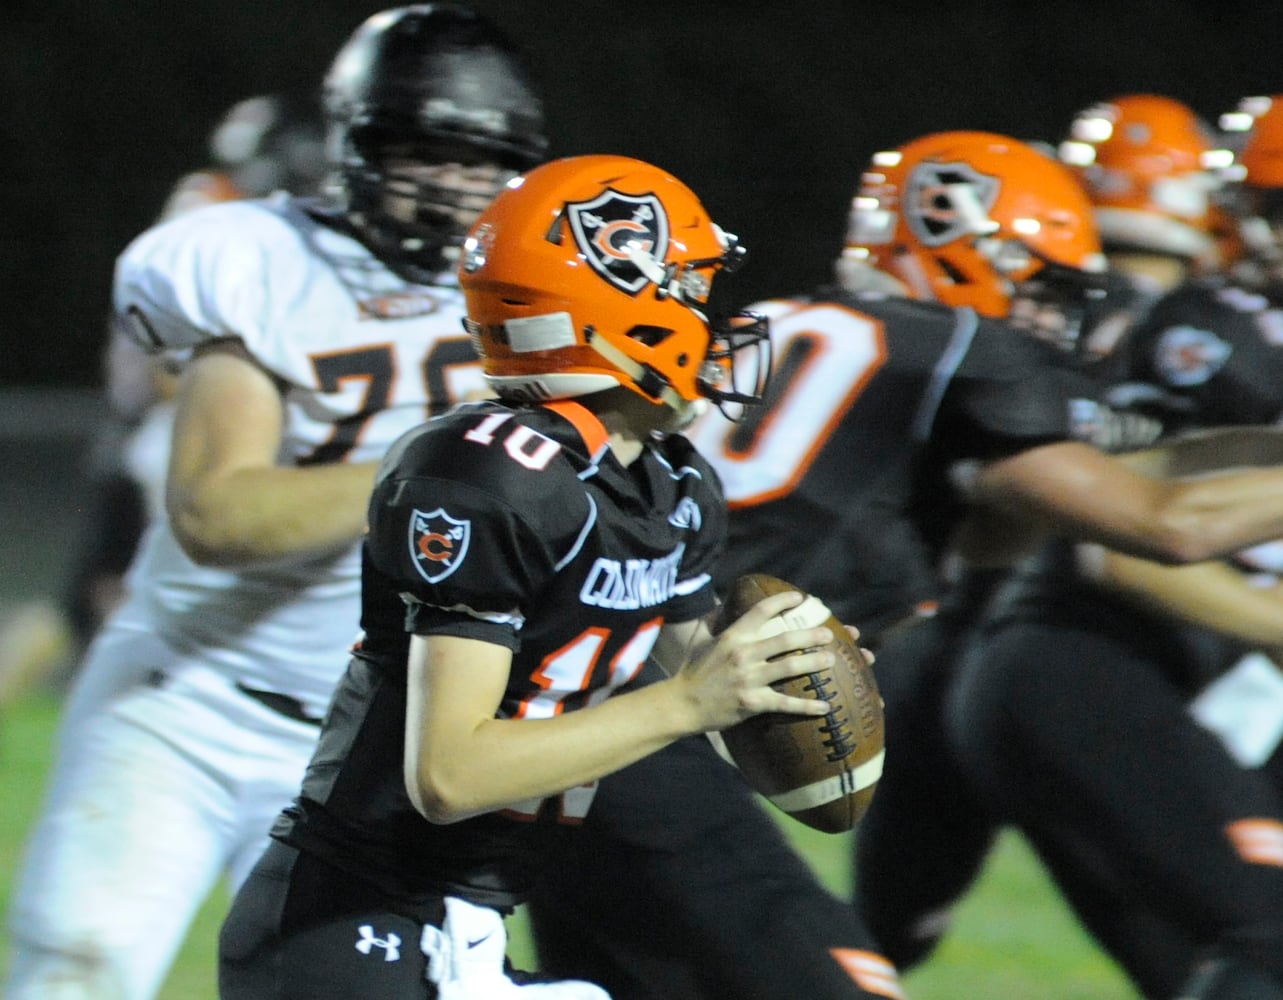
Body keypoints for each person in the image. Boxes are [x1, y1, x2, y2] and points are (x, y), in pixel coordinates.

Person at [526, 132, 1283, 1000]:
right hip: (632, 714)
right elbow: (1166, 526)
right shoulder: (962, 351)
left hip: (566, 699)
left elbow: (1032, 512)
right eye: (1039, 288)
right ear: (968, 253)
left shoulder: (804, 329)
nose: (1049, 321)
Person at [2, 6, 549, 999]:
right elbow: (219, 517)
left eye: (483, 161)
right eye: (426, 150)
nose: (457, 184)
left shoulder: (536, 291)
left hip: (372, 748)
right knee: (78, 964)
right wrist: (440, 464)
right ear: (357, 140)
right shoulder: (255, 258)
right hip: (188, 701)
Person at [216, 151, 846, 999]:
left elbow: (707, 684)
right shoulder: (482, 474)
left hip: (459, 930)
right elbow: (449, 776)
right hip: (353, 933)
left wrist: (792, 679)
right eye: (693, 290)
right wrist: (691, 701)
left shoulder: (673, 486)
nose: (715, 317)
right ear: (621, 306)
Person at [0, 93, 328, 708]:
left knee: (91, 599)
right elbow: (173, 358)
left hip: (154, 424)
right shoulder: (214, 215)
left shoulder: (215, 205)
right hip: (160, 430)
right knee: (155, 592)